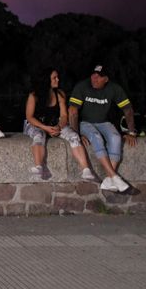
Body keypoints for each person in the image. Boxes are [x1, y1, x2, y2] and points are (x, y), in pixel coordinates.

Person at [68, 65, 136, 193]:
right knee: (96, 136)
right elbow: (72, 112)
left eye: (98, 77)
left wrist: (131, 132)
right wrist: (76, 134)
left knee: (116, 138)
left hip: (103, 122)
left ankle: (109, 179)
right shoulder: (82, 86)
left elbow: (128, 109)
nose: (94, 79)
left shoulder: (114, 88)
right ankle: (114, 176)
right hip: (84, 123)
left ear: (106, 79)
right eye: (93, 75)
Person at [24, 68, 95, 181]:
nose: (58, 79)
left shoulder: (60, 94)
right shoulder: (33, 95)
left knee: (74, 136)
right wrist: (46, 128)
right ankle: (39, 167)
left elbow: (64, 116)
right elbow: (29, 117)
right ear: (46, 80)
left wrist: (59, 126)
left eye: (57, 77)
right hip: (36, 124)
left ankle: (86, 170)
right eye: (54, 78)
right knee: (39, 136)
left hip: (53, 124)